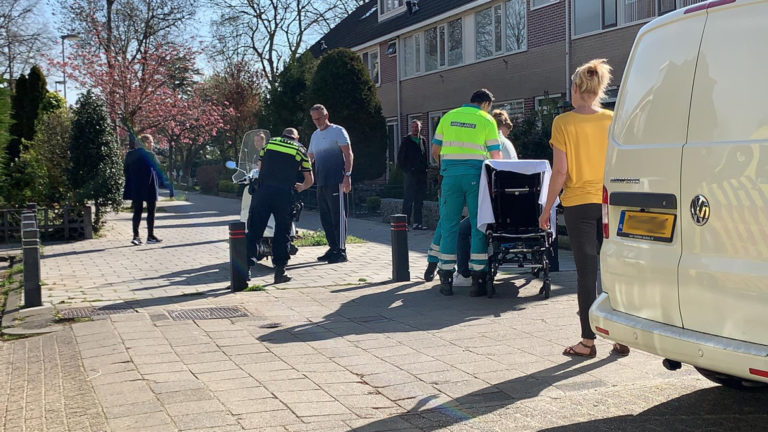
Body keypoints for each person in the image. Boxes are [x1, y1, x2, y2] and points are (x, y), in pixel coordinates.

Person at [538, 59, 629, 358]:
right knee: (613, 270)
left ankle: (588, 342)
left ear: (576, 88)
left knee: (586, 273)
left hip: (578, 204)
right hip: (609, 202)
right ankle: (620, 336)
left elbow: (560, 171)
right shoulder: (612, 120)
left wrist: (546, 209)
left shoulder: (563, 123)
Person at [431, 89, 502, 296]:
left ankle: (446, 278)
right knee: (478, 224)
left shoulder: (448, 117)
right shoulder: (486, 119)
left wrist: (446, 168)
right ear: (486, 104)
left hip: (450, 178)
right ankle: (477, 279)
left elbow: (435, 151)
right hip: (475, 178)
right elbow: (496, 155)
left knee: (449, 225)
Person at [247, 128, 313, 283]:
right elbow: (309, 179)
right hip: (284, 196)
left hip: (263, 193)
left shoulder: (269, 144)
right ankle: (280, 272)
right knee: (282, 232)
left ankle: (245, 269)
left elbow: (260, 168)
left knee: (254, 230)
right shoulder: (300, 149)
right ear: (296, 138)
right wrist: (302, 187)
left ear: (283, 135)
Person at [308, 104, 353, 264]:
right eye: (314, 119)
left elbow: (348, 154)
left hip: (336, 181)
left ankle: (341, 251)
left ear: (326, 116)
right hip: (321, 181)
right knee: (325, 217)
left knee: (337, 216)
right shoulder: (315, 135)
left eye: (319, 118)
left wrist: (347, 175)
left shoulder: (338, 131)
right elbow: (310, 157)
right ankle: (333, 247)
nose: (317, 122)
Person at [123, 133, 173, 245]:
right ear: (145, 143)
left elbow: (125, 170)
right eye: (151, 142)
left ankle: (136, 236)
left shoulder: (130, 155)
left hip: (136, 186)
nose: (152, 145)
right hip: (150, 186)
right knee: (151, 212)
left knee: (137, 212)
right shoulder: (151, 155)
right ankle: (150, 236)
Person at [397, 119, 429, 230]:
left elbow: (425, 156)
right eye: (413, 127)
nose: (415, 129)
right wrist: (407, 170)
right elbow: (400, 158)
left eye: (417, 127)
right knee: (408, 199)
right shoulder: (406, 141)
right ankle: (404, 223)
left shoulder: (422, 140)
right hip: (410, 174)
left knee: (419, 200)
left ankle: (418, 223)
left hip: (421, 174)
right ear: (411, 128)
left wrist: (425, 168)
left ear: (420, 128)